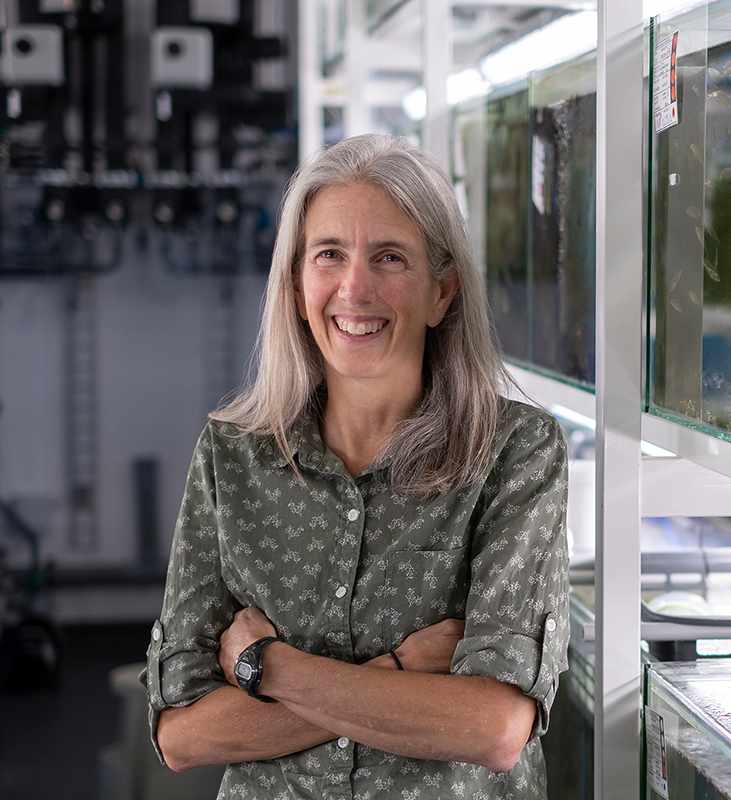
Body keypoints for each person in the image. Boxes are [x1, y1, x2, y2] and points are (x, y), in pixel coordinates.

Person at [143, 134, 570, 798]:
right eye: (329, 255)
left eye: (390, 257)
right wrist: (400, 670)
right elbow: (181, 734)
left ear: (442, 293)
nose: (354, 287)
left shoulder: (513, 452)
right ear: (296, 285)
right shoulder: (233, 454)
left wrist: (267, 667)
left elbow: (494, 727)